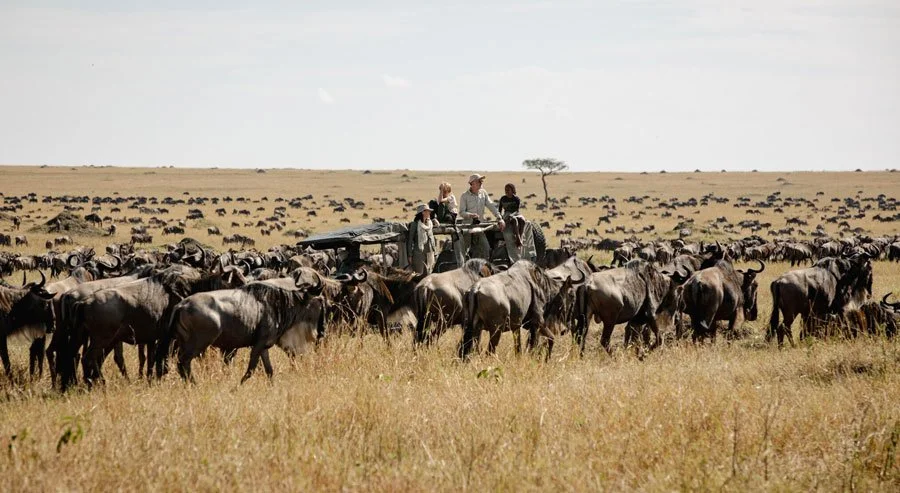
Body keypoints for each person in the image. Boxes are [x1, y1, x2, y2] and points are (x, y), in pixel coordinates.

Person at [458, 174, 504, 261]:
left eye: (481, 181)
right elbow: (461, 212)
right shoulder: (464, 196)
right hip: (467, 227)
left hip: (479, 227)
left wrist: (499, 217)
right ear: (473, 183)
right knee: (465, 251)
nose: (481, 182)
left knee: (485, 248)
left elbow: (491, 206)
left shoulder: (483, 193)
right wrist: (470, 215)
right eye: (479, 181)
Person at [407, 204, 437, 274]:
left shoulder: (429, 224)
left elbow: (431, 238)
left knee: (429, 273)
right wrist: (410, 255)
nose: (429, 213)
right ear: (423, 212)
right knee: (419, 274)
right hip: (418, 254)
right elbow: (410, 240)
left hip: (429, 253)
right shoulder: (415, 224)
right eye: (428, 211)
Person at [498, 183, 527, 247]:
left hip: (515, 213)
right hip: (507, 214)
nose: (506, 191)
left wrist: (512, 215)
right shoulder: (503, 199)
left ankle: (521, 237)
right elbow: (499, 210)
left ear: (512, 190)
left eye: (508, 190)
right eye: (505, 190)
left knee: (522, 220)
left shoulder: (516, 199)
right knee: (514, 220)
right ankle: (518, 238)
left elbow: (517, 210)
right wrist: (500, 218)